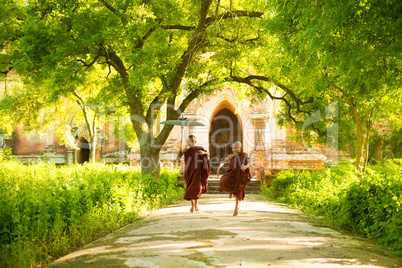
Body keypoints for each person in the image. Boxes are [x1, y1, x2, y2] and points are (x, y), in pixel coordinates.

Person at [217, 141, 251, 216]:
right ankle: (230, 191)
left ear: (240, 148)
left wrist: (245, 167)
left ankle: (236, 207)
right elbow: (224, 161)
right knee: (223, 179)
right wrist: (219, 167)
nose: (234, 149)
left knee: (238, 191)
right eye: (233, 148)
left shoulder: (244, 155)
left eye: (236, 148)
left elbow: (249, 162)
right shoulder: (231, 156)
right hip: (232, 173)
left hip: (240, 175)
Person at [183, 135, 211, 212]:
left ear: (195, 141)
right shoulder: (188, 150)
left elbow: (208, 154)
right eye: (189, 141)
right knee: (190, 187)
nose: (191, 143)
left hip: (198, 171)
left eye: (192, 141)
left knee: (197, 188)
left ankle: (196, 204)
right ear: (187, 142)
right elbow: (181, 155)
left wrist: (204, 153)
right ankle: (192, 205)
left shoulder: (199, 149)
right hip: (190, 171)